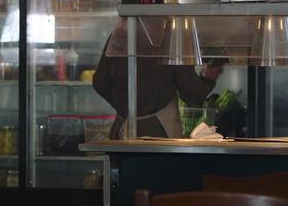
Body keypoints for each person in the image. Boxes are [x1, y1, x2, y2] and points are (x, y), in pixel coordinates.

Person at [92, 23, 224, 138]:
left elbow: (99, 82)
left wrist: (125, 107)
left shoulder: (119, 35)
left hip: (121, 130)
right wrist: (209, 77)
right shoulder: (171, 38)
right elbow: (191, 93)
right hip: (157, 134)